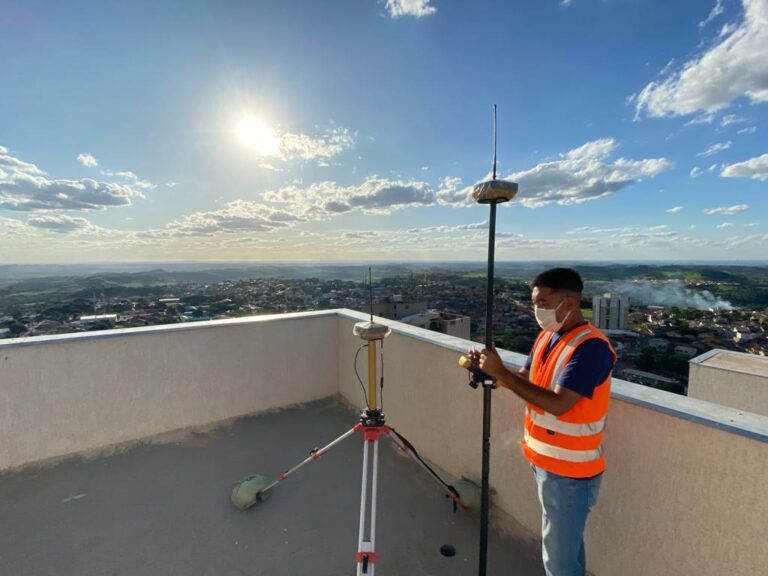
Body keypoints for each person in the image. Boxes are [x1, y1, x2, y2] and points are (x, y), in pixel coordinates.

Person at [469, 267, 616, 576]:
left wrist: (502, 374)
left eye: (543, 303)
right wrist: (491, 372)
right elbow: (525, 380)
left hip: (570, 471)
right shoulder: (547, 337)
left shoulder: (591, 347)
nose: (537, 310)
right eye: (535, 303)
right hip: (546, 462)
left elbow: (559, 404)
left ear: (569, 303)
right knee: (566, 549)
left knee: (558, 560)